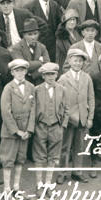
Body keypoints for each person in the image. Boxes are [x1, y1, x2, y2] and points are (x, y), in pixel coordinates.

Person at [0, 58, 35, 199]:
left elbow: (33, 109)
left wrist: (29, 130)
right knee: (8, 159)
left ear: (26, 71)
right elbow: (5, 111)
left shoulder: (31, 87)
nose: (20, 73)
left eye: (22, 70)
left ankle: (16, 187)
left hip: (25, 130)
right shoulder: (8, 88)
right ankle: (7, 189)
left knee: (20, 159)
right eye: (17, 70)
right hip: (11, 130)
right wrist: (16, 131)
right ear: (12, 72)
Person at [58, 47, 94, 181]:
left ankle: (77, 172)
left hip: (82, 118)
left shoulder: (87, 78)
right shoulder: (63, 78)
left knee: (80, 146)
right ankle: (62, 173)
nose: (78, 63)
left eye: (80, 61)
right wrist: (62, 119)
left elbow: (91, 98)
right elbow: (59, 101)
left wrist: (90, 118)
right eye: (75, 60)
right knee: (65, 147)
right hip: (68, 119)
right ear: (69, 61)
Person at [33, 61, 66, 190]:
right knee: (39, 156)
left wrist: (62, 126)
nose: (51, 77)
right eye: (47, 75)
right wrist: (34, 126)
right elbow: (33, 109)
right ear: (43, 76)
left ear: (57, 75)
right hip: (41, 126)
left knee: (53, 156)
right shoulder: (37, 90)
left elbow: (66, 108)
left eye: (53, 74)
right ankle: (39, 183)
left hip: (55, 126)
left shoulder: (62, 89)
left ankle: (47, 183)